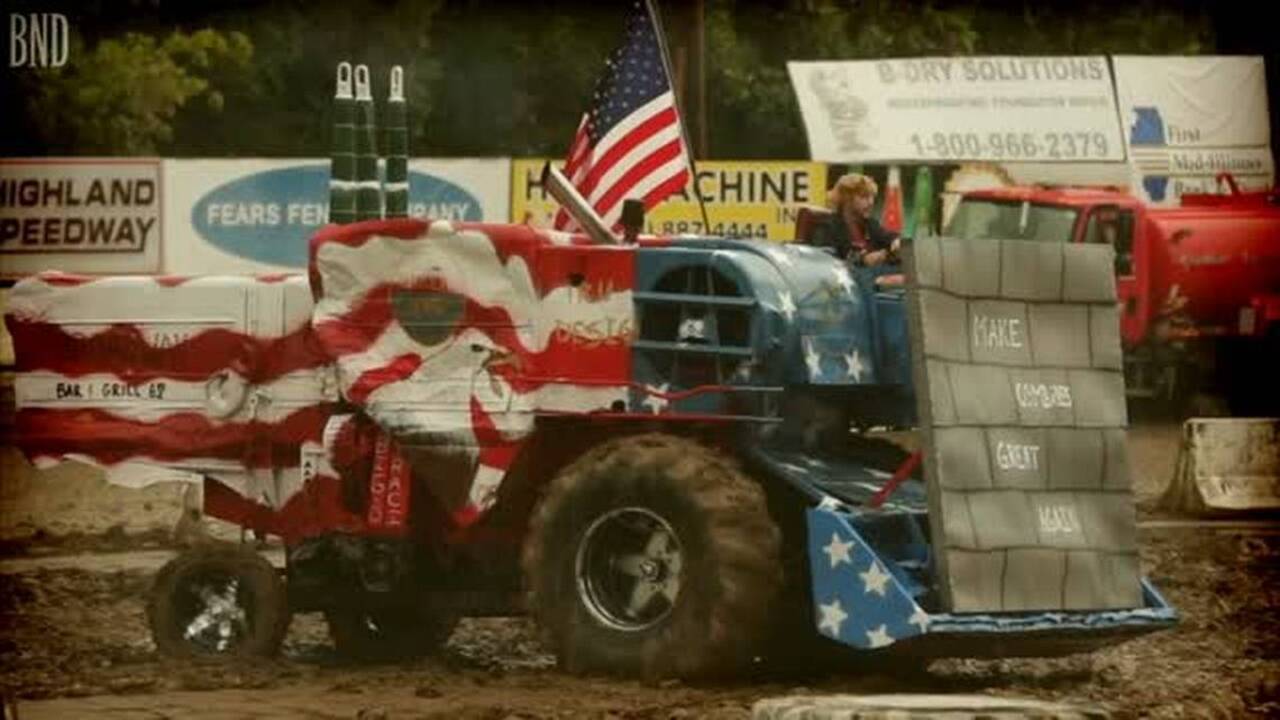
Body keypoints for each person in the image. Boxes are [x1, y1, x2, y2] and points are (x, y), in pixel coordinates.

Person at [811, 173, 902, 267]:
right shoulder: (827, 227)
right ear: (847, 199)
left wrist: (896, 241)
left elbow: (889, 236)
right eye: (864, 197)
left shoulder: (870, 224)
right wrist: (863, 261)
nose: (871, 202)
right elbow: (824, 262)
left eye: (872, 197)